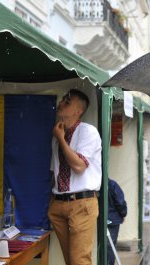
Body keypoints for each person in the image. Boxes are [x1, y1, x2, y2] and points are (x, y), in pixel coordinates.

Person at [48, 89, 102, 265]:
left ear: (78, 111)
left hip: (81, 203)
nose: (61, 102)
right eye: (63, 98)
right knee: (70, 261)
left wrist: (62, 140)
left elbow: (79, 166)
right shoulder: (58, 135)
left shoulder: (88, 132)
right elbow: (53, 170)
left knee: (79, 261)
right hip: (59, 203)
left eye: (67, 101)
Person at [107, 178, 127, 265]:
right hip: (113, 219)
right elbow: (120, 202)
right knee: (110, 247)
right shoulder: (112, 184)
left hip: (99, 219)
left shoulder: (94, 185)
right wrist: (123, 214)